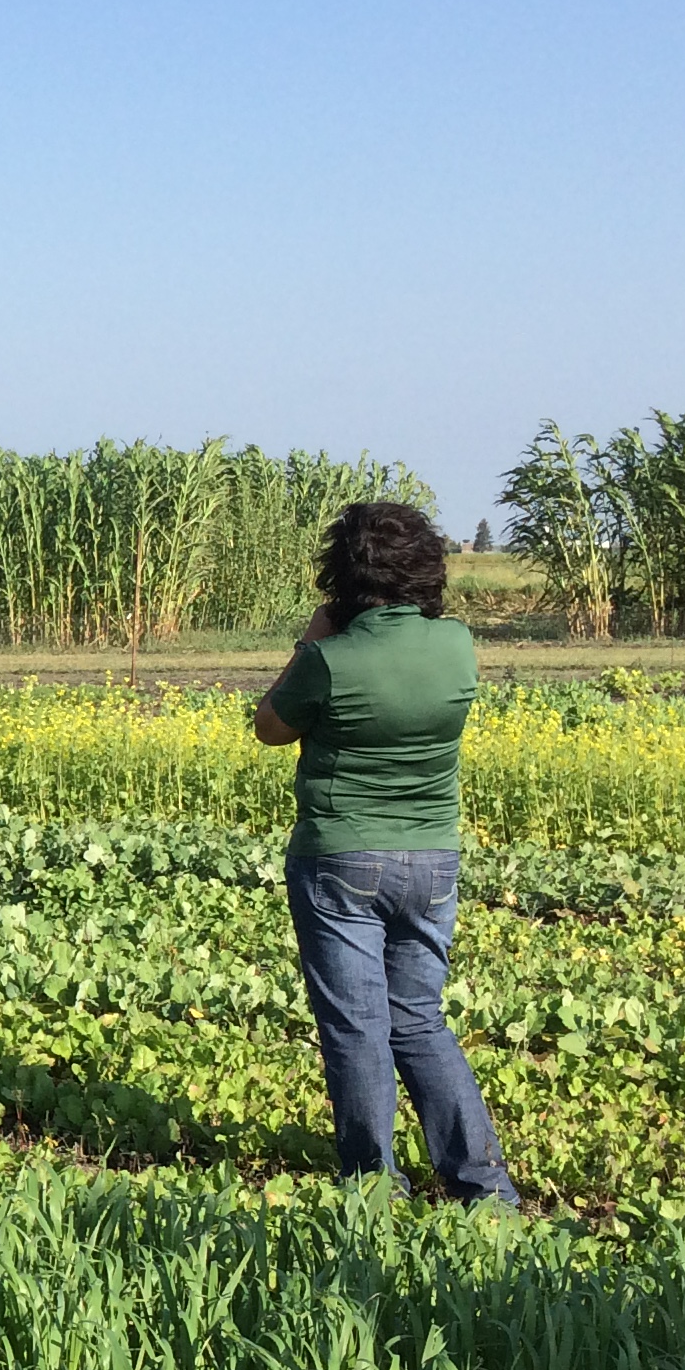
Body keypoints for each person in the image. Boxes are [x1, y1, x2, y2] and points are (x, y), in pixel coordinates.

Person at [251, 499, 519, 1205]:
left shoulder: (332, 662)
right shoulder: (457, 645)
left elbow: (269, 728)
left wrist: (310, 642)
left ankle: (374, 1188)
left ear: (341, 576)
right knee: (419, 1021)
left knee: (356, 1030)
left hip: (340, 859)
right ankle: (484, 1190)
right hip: (433, 859)